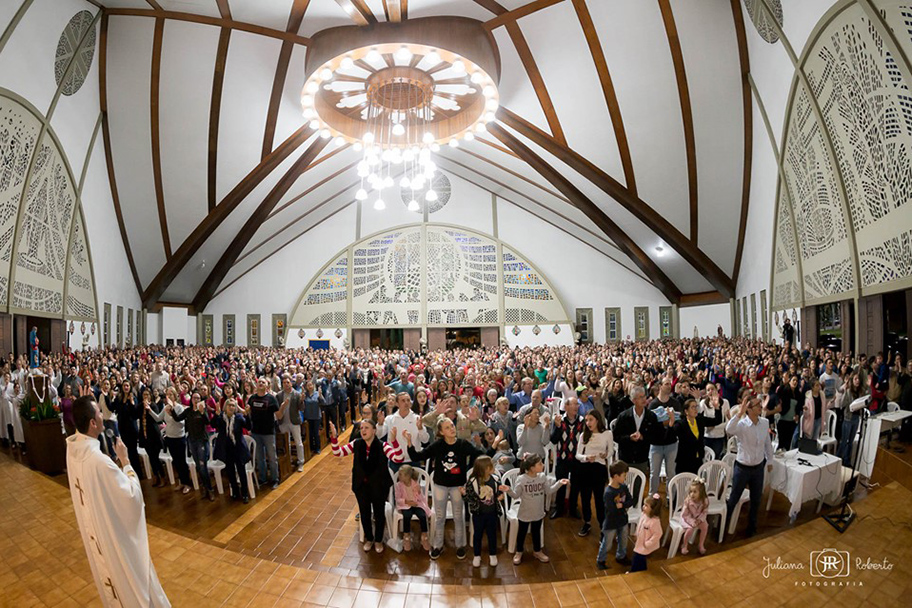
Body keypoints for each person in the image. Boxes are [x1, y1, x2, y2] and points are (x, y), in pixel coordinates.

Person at [66, 396, 171, 607]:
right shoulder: (99, 462)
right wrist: (125, 462)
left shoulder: (72, 450)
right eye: (98, 414)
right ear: (93, 423)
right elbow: (131, 498)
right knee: (133, 583)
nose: (103, 417)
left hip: (99, 530)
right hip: (113, 537)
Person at [404, 417, 491, 560]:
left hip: (458, 486)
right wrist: (409, 442)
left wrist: (492, 445)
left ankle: (460, 545)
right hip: (440, 486)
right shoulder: (438, 445)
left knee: (458, 516)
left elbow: (481, 456)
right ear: (441, 432)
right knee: (440, 517)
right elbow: (417, 456)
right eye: (447, 427)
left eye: (452, 426)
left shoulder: (463, 444)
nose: (452, 429)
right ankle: (437, 545)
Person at [330, 420, 403, 553]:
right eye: (361, 428)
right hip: (361, 486)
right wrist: (334, 437)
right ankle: (369, 538)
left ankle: (379, 540)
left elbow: (398, 458)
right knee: (364, 513)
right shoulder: (357, 444)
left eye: (367, 428)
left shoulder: (383, 446)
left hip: (379, 486)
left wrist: (395, 441)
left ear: (374, 430)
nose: (363, 430)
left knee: (379, 514)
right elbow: (338, 453)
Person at [501, 454, 567, 565]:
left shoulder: (542, 477)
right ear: (532, 468)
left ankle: (537, 551)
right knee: (521, 533)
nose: (542, 465)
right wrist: (508, 490)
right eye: (540, 464)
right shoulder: (521, 479)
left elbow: (549, 491)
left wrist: (559, 483)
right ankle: (519, 551)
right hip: (525, 513)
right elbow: (516, 495)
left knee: (536, 532)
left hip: (538, 512)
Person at [725, 395, 774, 537]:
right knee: (734, 498)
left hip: (758, 468)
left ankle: (751, 527)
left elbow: (767, 444)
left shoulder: (764, 423)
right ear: (750, 409)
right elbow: (729, 429)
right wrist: (739, 413)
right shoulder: (742, 425)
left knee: (756, 499)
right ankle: (723, 526)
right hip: (742, 468)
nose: (761, 406)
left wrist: (769, 461)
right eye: (758, 405)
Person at [171, 391, 216, 501]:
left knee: (203, 466)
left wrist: (202, 413)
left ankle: (210, 489)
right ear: (191, 399)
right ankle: (205, 488)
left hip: (202, 441)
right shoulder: (188, 411)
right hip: (192, 441)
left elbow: (207, 422)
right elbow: (178, 418)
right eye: (194, 398)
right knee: (198, 466)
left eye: (198, 398)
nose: (196, 400)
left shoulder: (202, 410)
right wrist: (172, 410)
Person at [575, 410, 612, 536]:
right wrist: (586, 458)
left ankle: (602, 525)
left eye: (591, 419)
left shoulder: (607, 434)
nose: (588, 423)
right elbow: (578, 455)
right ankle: (587, 522)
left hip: (599, 469)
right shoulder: (583, 435)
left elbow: (611, 451)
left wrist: (605, 454)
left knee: (599, 499)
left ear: (597, 420)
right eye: (586, 420)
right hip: (585, 468)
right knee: (585, 497)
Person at [247, 377, 287, 489]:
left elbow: (278, 416)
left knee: (272, 457)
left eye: (263, 382)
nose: (260, 383)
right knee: (259, 457)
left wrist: (283, 407)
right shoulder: (252, 399)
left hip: (268, 432)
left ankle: (275, 479)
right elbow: (248, 413)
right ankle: (263, 478)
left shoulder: (271, 399)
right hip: (256, 432)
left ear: (267, 386)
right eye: (259, 382)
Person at [549, 396, 585, 519]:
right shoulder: (560, 420)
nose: (576, 407)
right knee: (561, 484)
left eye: (577, 405)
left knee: (576, 485)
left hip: (577, 459)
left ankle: (573, 509)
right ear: (566, 406)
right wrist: (558, 427)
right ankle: (559, 509)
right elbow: (553, 440)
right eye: (574, 404)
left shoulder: (582, 421)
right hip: (562, 458)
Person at [465, 455, 503, 567]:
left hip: (492, 513)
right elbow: (468, 498)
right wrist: (464, 494)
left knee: (492, 534)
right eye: (491, 466)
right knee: (478, 535)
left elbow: (499, 492)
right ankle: (477, 555)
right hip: (478, 514)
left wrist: (501, 496)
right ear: (485, 468)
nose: (493, 467)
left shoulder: (495, 479)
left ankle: (493, 554)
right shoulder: (473, 481)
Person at [614, 386, 659, 482]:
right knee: (623, 487)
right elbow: (616, 436)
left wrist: (643, 437)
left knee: (638, 487)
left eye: (644, 397)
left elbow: (655, 436)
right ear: (634, 400)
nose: (644, 399)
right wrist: (629, 438)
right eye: (640, 397)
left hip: (641, 458)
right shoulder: (623, 416)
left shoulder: (651, 416)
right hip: (626, 458)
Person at [213, 397, 252, 503]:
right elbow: (213, 425)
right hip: (226, 449)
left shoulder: (239, 417)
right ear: (225, 407)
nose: (231, 407)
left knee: (241, 471)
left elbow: (248, 426)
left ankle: (245, 494)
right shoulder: (221, 418)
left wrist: (247, 415)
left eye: (233, 405)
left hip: (238, 448)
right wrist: (216, 413)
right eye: (229, 405)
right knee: (230, 472)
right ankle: (235, 492)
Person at [597, 460, 634, 569]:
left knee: (623, 541)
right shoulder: (608, 492)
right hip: (611, 522)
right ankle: (601, 560)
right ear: (616, 476)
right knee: (607, 544)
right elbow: (611, 509)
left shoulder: (623, 487)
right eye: (624, 475)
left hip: (622, 520)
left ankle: (621, 556)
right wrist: (620, 506)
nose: (625, 478)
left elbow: (631, 500)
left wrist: (622, 505)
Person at [675, 398, 720, 474]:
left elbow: (717, 421)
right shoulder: (680, 424)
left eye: (696, 407)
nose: (695, 409)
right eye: (692, 407)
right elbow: (670, 435)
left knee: (697, 483)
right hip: (684, 461)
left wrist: (717, 408)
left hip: (698, 459)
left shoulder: (700, 420)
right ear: (686, 411)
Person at [394, 464, 431, 552]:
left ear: (407, 476)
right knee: (407, 516)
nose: (399, 476)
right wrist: (407, 502)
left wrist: (417, 492)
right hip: (405, 505)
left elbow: (421, 498)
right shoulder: (398, 485)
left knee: (422, 515)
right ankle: (406, 536)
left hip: (417, 504)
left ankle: (424, 536)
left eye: (401, 475)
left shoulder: (415, 484)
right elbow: (398, 499)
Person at [277, 375, 306, 472]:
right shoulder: (279, 395)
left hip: (294, 422)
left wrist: (302, 400)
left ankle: (301, 462)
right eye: (284, 383)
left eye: (287, 382)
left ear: (291, 383)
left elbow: (301, 408)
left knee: (298, 442)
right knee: (286, 443)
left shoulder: (296, 394)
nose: (286, 384)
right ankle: (288, 461)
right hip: (283, 422)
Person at [629, 493, 663, 573]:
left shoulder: (655, 522)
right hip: (640, 541)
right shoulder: (644, 515)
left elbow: (658, 534)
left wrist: (648, 543)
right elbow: (640, 525)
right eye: (644, 505)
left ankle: (632, 572)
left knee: (636, 557)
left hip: (645, 544)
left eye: (646, 506)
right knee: (641, 558)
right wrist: (636, 534)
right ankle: (642, 570)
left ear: (653, 509)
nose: (643, 507)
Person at [680, 478, 709, 555]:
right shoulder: (688, 501)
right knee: (690, 529)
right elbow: (684, 515)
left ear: (701, 493)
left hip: (698, 518)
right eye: (691, 492)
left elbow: (704, 512)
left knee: (705, 526)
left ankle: (701, 544)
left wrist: (700, 519)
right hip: (687, 518)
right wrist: (691, 521)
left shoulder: (705, 501)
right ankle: (684, 545)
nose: (692, 494)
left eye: (695, 492)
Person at [699, 383, 728, 460]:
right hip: (707, 436)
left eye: (712, 389)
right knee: (706, 459)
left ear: (716, 389)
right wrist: (708, 428)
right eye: (708, 390)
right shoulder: (703, 403)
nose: (711, 391)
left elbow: (726, 421)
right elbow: (699, 419)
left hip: (719, 436)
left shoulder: (725, 402)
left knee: (716, 458)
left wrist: (713, 426)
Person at [302, 379, 324, 455]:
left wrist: (320, 396)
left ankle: (317, 448)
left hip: (316, 416)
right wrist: (301, 398)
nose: (310, 387)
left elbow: (323, 403)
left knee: (316, 433)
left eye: (311, 385)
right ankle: (311, 447)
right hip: (308, 416)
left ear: (313, 386)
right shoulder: (305, 395)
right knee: (310, 433)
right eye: (308, 385)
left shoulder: (317, 393)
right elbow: (301, 405)